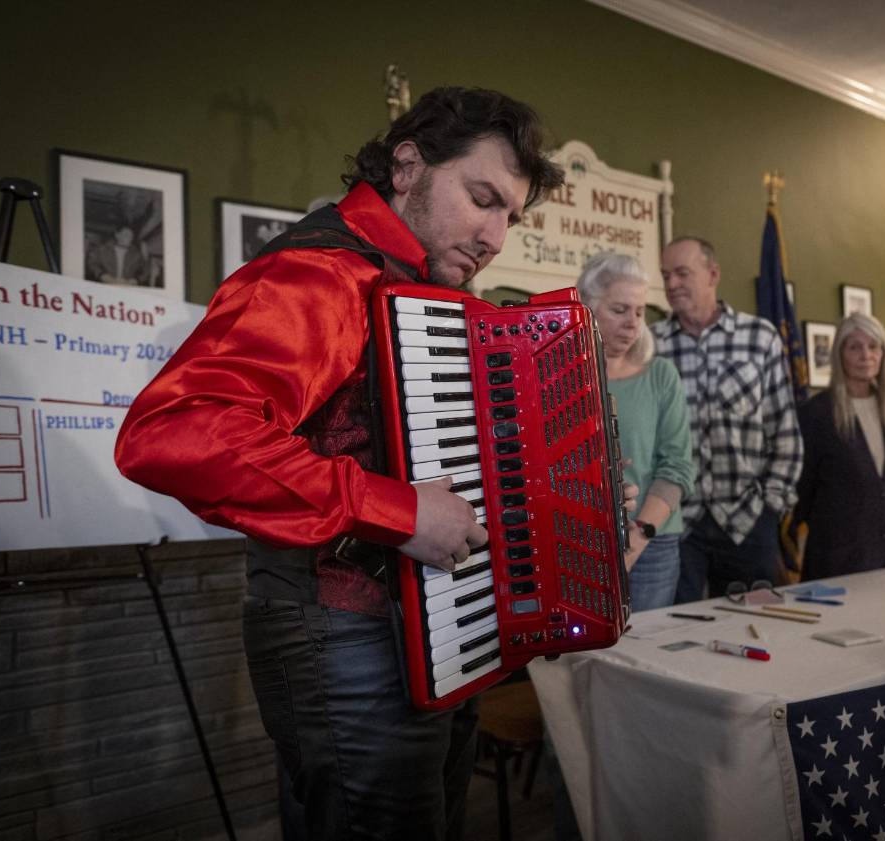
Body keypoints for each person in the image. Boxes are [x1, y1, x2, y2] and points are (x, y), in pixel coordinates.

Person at [114, 86, 565, 841]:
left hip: (432, 634)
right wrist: (398, 511)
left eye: (510, 217)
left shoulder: (420, 286)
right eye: (482, 198)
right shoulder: (320, 274)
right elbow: (173, 431)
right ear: (409, 165)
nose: (495, 236)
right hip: (340, 637)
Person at [652, 236, 803, 603]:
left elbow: (784, 433)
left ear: (713, 274)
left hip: (748, 519)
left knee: (754, 631)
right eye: (665, 275)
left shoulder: (760, 338)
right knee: (675, 635)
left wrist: (770, 508)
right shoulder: (649, 345)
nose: (671, 285)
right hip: (675, 522)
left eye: (682, 274)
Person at [577, 251, 694, 609]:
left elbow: (677, 468)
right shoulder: (561, 374)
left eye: (640, 312)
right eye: (619, 310)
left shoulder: (660, 375)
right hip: (578, 541)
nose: (633, 323)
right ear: (587, 308)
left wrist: (636, 537)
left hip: (651, 544)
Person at [794, 313, 885, 580]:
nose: (865, 355)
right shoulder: (817, 413)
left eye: (873, 346)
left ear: (884, 354)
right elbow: (803, 492)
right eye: (854, 347)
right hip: (837, 560)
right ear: (839, 354)